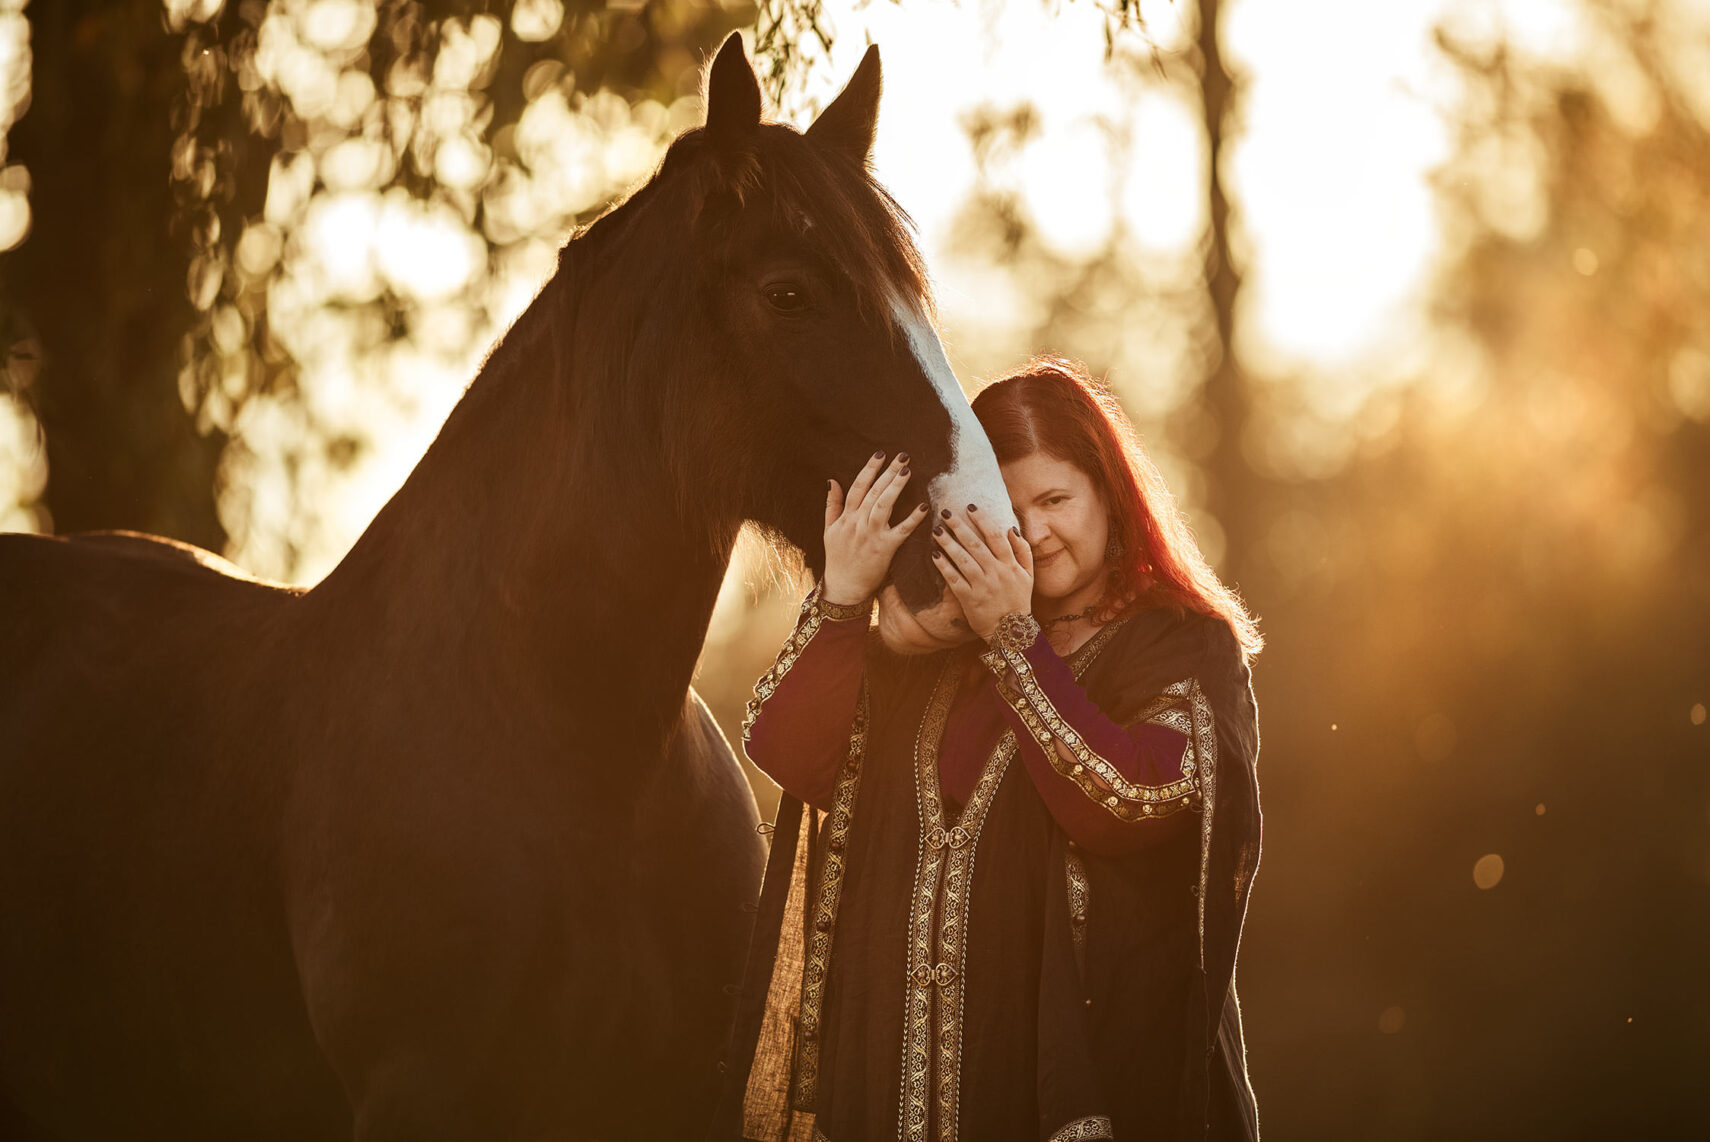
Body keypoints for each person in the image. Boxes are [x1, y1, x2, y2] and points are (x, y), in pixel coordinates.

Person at [714, 357, 1263, 1142]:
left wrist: (1013, 637)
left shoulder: (1182, 648)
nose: (1034, 533)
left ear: (1109, 492)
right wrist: (843, 598)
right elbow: (791, 751)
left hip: (1068, 1101)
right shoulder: (931, 652)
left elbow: (1134, 803)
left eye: (1056, 499)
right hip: (892, 1098)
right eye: (1009, 504)